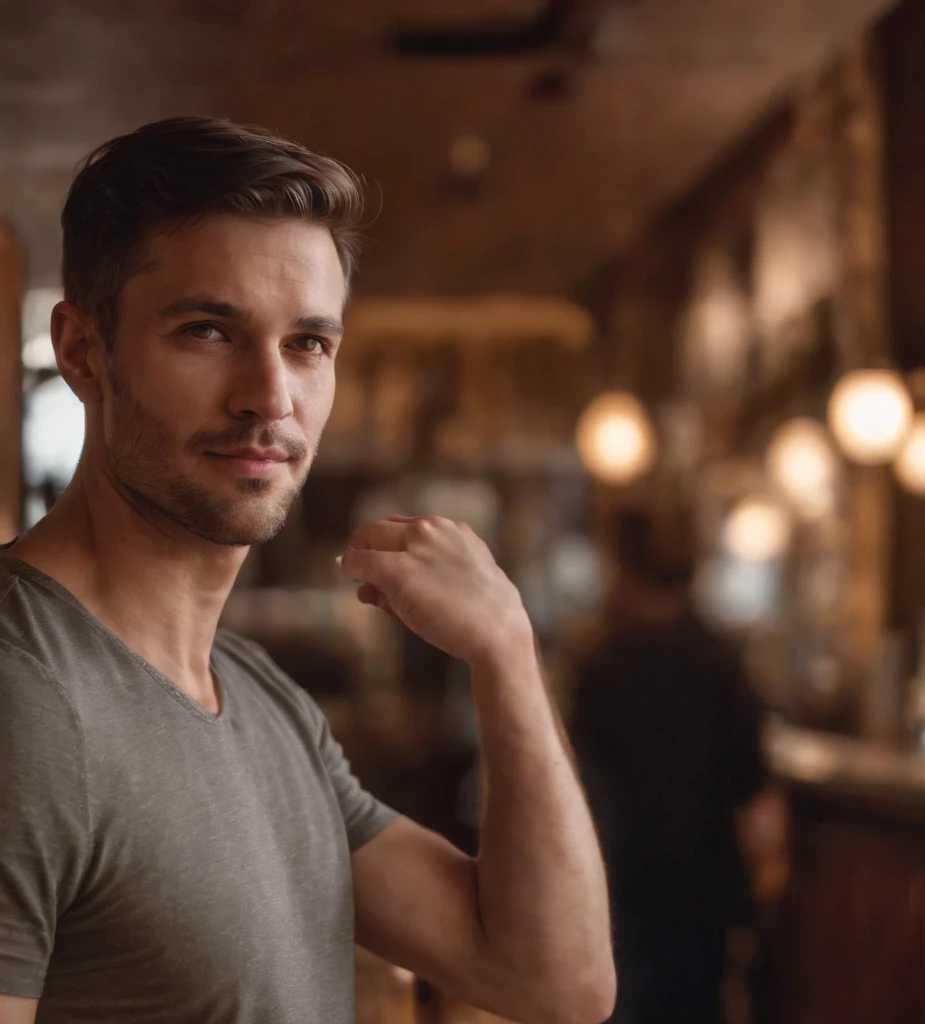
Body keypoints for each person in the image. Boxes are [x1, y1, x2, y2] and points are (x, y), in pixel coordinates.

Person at [0, 117, 615, 1024]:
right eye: (209, 331)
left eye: (308, 344)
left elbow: (555, 981)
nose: (271, 398)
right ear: (84, 351)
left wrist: (506, 649)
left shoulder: (262, 701)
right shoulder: (26, 699)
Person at [570, 509, 779, 1024]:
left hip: (618, 890)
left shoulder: (600, 664)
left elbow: (573, 788)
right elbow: (755, 792)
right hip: (703, 890)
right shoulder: (720, 660)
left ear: (623, 567)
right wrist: (765, 889)